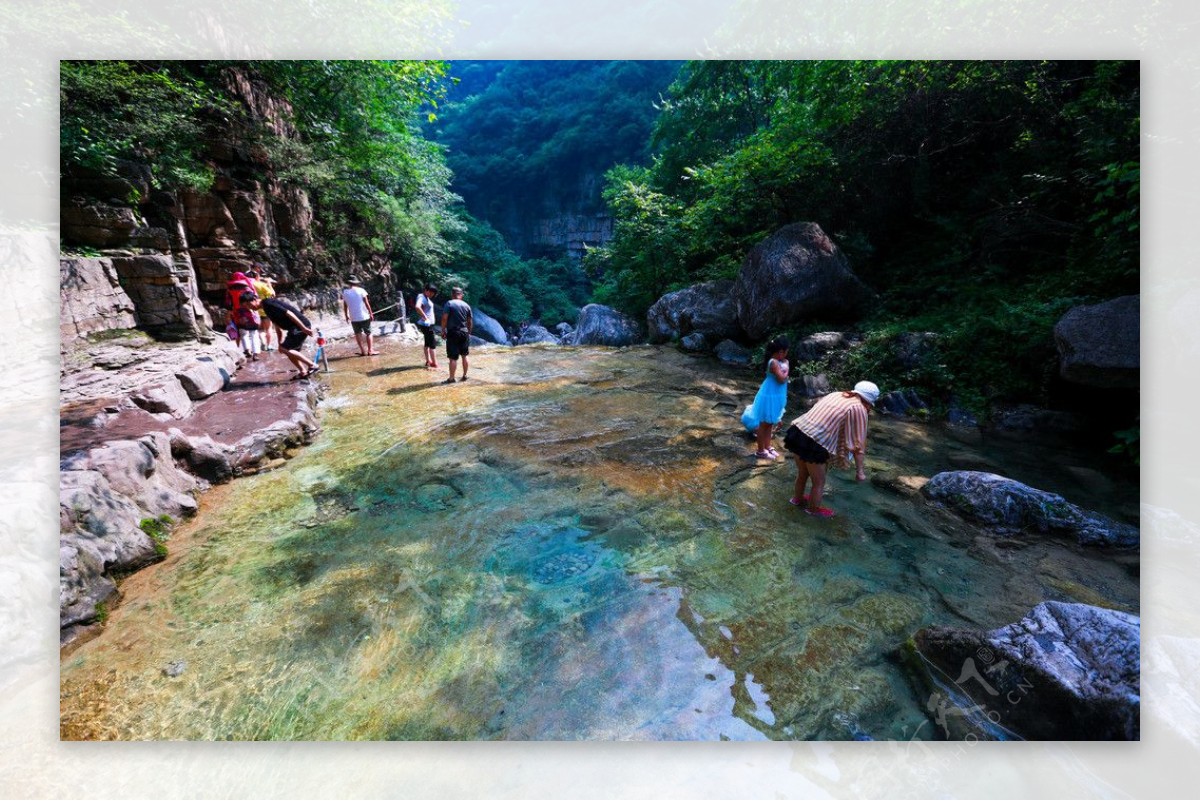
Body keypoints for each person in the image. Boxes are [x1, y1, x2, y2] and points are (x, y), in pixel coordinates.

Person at [783, 380, 880, 518]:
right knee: (819, 482)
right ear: (869, 401)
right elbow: (859, 444)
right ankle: (813, 510)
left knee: (803, 473)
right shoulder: (859, 408)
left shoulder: (837, 394)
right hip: (814, 442)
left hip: (798, 431)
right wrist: (860, 472)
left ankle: (797, 499)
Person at [741, 337, 790, 460]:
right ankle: (760, 450)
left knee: (770, 423)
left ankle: (767, 447)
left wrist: (785, 371)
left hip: (778, 394)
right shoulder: (773, 362)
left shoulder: (784, 361)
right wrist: (786, 374)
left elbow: (783, 377)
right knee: (764, 424)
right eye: (785, 351)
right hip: (769, 395)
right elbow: (781, 379)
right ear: (780, 351)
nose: (786, 354)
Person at [261, 296, 319, 379]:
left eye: (247, 305)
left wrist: (303, 328)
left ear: (252, 300)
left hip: (300, 326)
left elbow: (289, 313)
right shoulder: (266, 308)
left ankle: (313, 365)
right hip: (294, 328)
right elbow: (277, 327)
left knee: (287, 349)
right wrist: (279, 344)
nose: (249, 308)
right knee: (288, 350)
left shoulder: (267, 303)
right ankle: (303, 371)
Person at [440, 286, 473, 384]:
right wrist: (469, 332)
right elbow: (470, 321)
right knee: (464, 355)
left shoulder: (449, 303)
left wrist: (443, 330)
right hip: (464, 332)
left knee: (453, 357)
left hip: (453, 332)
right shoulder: (467, 305)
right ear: (461, 295)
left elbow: (444, 318)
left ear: (452, 294)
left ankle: (451, 379)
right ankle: (465, 376)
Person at [341, 276, 378, 356]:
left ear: (349, 283)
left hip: (353, 317)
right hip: (364, 316)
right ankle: (370, 350)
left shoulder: (345, 292)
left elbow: (345, 305)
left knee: (358, 333)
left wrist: (346, 315)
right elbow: (366, 303)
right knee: (368, 333)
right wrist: (371, 313)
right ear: (356, 283)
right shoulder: (361, 291)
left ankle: (363, 351)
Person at [249, 268, 277, 351]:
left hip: (253, 310)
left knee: (260, 328)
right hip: (264, 309)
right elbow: (272, 294)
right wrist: (269, 284)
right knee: (268, 328)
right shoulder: (260, 284)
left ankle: (262, 343)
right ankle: (268, 346)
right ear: (257, 276)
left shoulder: (248, 285)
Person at [233, 290, 263, 361]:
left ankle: (248, 350)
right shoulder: (254, 307)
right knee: (254, 336)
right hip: (253, 324)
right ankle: (255, 354)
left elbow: (236, 316)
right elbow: (257, 317)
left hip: (243, 324)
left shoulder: (239, 309)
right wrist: (259, 323)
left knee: (244, 335)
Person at [415, 284, 439, 369]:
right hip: (427, 325)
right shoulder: (421, 296)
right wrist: (425, 317)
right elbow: (417, 307)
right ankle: (435, 364)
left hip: (427, 324)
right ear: (425, 290)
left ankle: (428, 361)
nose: (431, 294)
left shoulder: (426, 298)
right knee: (432, 344)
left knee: (427, 343)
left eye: (433, 293)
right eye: (430, 291)